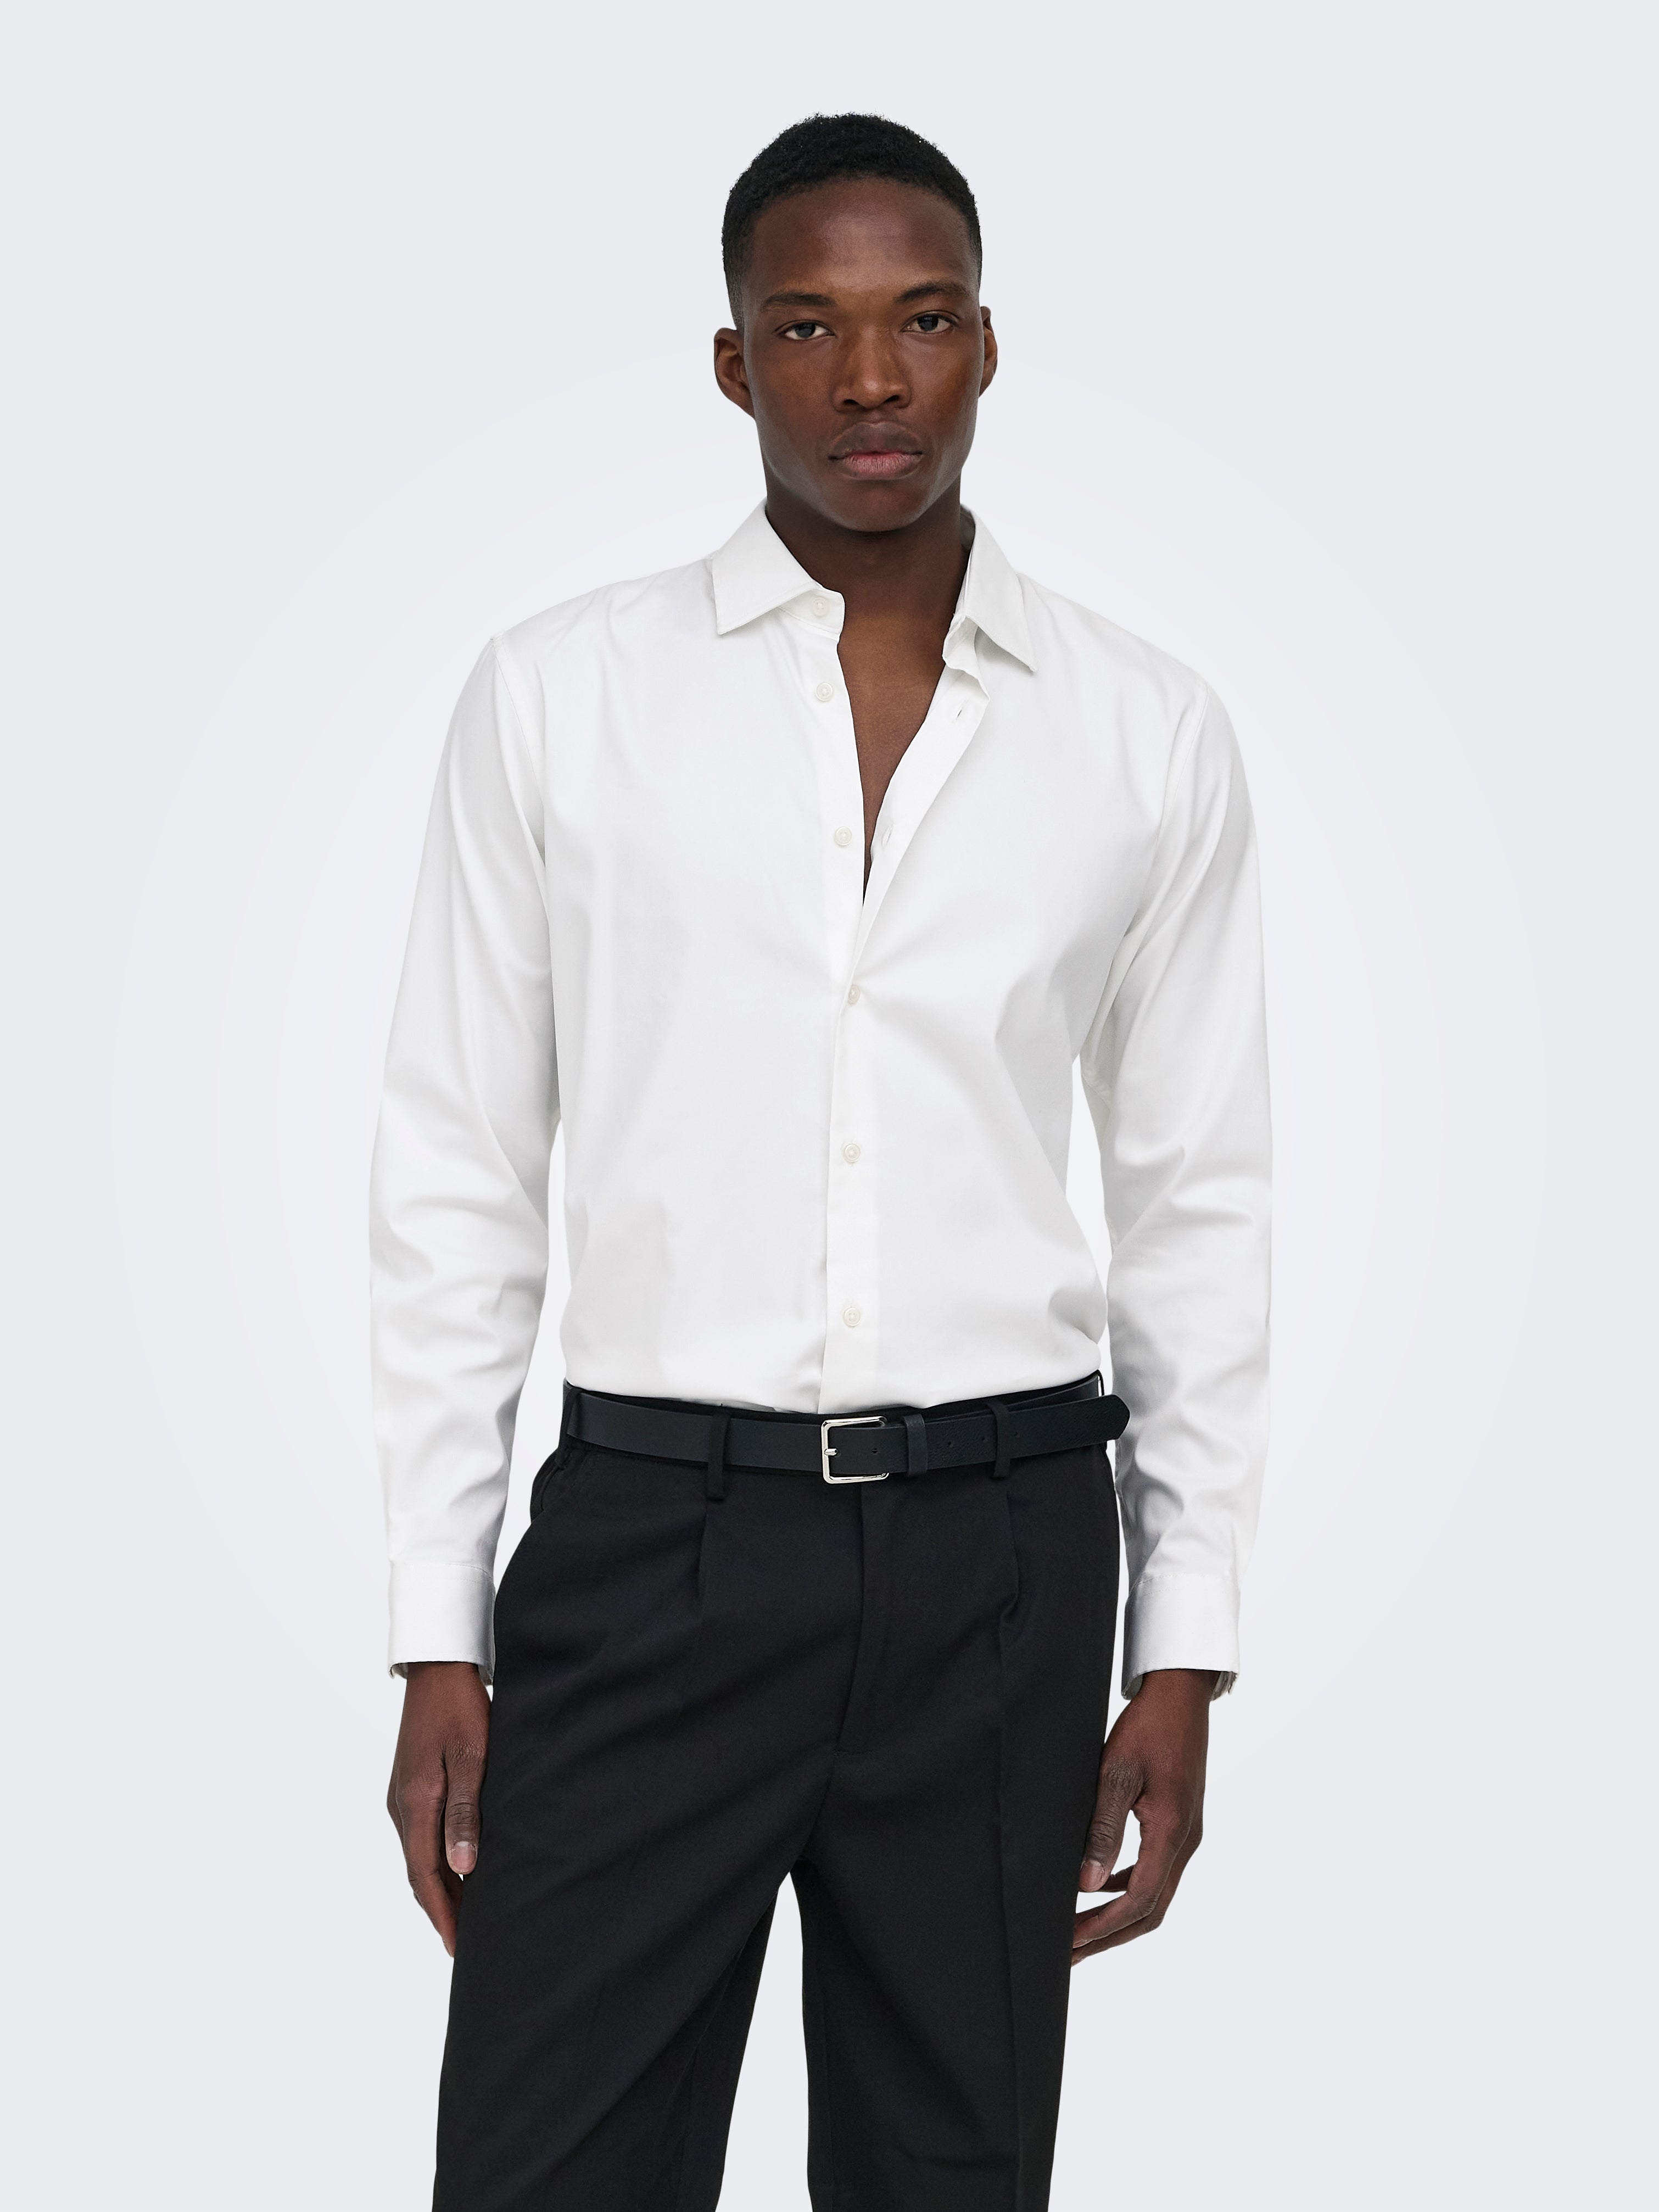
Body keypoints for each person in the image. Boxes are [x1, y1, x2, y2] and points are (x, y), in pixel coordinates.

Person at [375, 111, 1270, 2212]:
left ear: (988, 346)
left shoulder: (1143, 730)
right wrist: (435, 1623)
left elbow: (1199, 1194)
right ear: (734, 362)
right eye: (809, 326)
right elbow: (459, 1170)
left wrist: (1185, 1639)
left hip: (1004, 1561)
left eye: (923, 320)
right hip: (652, 1550)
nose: (872, 376)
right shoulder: (560, 699)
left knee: (949, 2179)